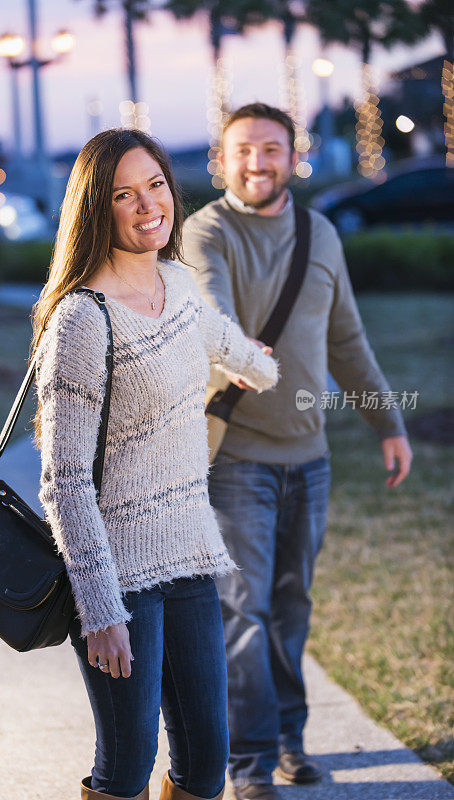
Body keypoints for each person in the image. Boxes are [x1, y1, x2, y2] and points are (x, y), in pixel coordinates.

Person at [30, 127, 279, 800]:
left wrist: (263, 366)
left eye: (156, 185)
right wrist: (101, 609)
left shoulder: (177, 281)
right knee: (129, 761)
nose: (148, 207)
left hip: (191, 558)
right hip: (119, 578)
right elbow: (65, 479)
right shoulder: (82, 320)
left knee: (205, 760)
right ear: (96, 209)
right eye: (123, 195)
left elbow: (223, 339)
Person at [182, 102, 413, 799]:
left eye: (271, 149)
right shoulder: (206, 231)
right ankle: (250, 763)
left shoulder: (322, 233)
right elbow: (209, 309)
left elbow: (346, 340)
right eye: (244, 150)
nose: (258, 162)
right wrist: (240, 349)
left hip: (310, 459)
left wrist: (388, 424)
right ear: (223, 161)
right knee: (243, 610)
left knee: (292, 606)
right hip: (237, 457)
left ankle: (289, 739)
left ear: (293, 156)